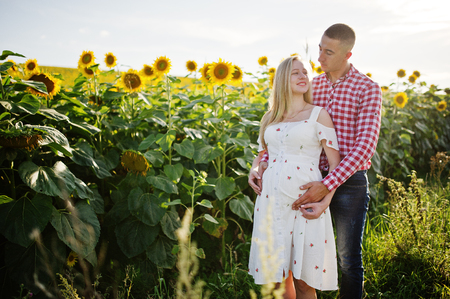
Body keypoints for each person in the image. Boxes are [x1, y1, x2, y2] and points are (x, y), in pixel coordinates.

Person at [249, 24, 382, 299]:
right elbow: (283, 131)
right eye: (320, 49)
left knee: (348, 259)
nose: (319, 58)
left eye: (328, 52)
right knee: (296, 258)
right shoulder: (312, 84)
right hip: (304, 180)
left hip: (348, 181)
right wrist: (259, 162)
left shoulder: (368, 89)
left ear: (347, 55)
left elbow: (365, 147)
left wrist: (327, 186)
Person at [247, 55, 341, 299]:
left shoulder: (318, 115)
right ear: (282, 79)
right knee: (277, 279)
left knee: (303, 281)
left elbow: (335, 165)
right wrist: (255, 168)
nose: (303, 77)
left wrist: (325, 200)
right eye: (295, 73)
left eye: (305, 73)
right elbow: (263, 154)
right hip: (271, 202)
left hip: (305, 201)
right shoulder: (270, 117)